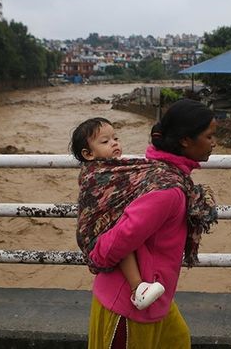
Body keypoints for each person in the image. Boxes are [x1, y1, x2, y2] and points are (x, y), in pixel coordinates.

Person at [78, 99, 218, 348]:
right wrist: (97, 259)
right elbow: (112, 244)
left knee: (179, 341)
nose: (214, 143)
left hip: (156, 297)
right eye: (209, 136)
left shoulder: (161, 171)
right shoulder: (167, 190)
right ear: (186, 140)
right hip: (129, 307)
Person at [71, 117, 165, 311]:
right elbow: (99, 201)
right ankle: (137, 288)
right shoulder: (96, 173)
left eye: (115, 138)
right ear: (88, 154)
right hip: (99, 230)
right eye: (105, 142)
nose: (114, 143)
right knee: (120, 241)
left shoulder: (121, 167)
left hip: (114, 225)